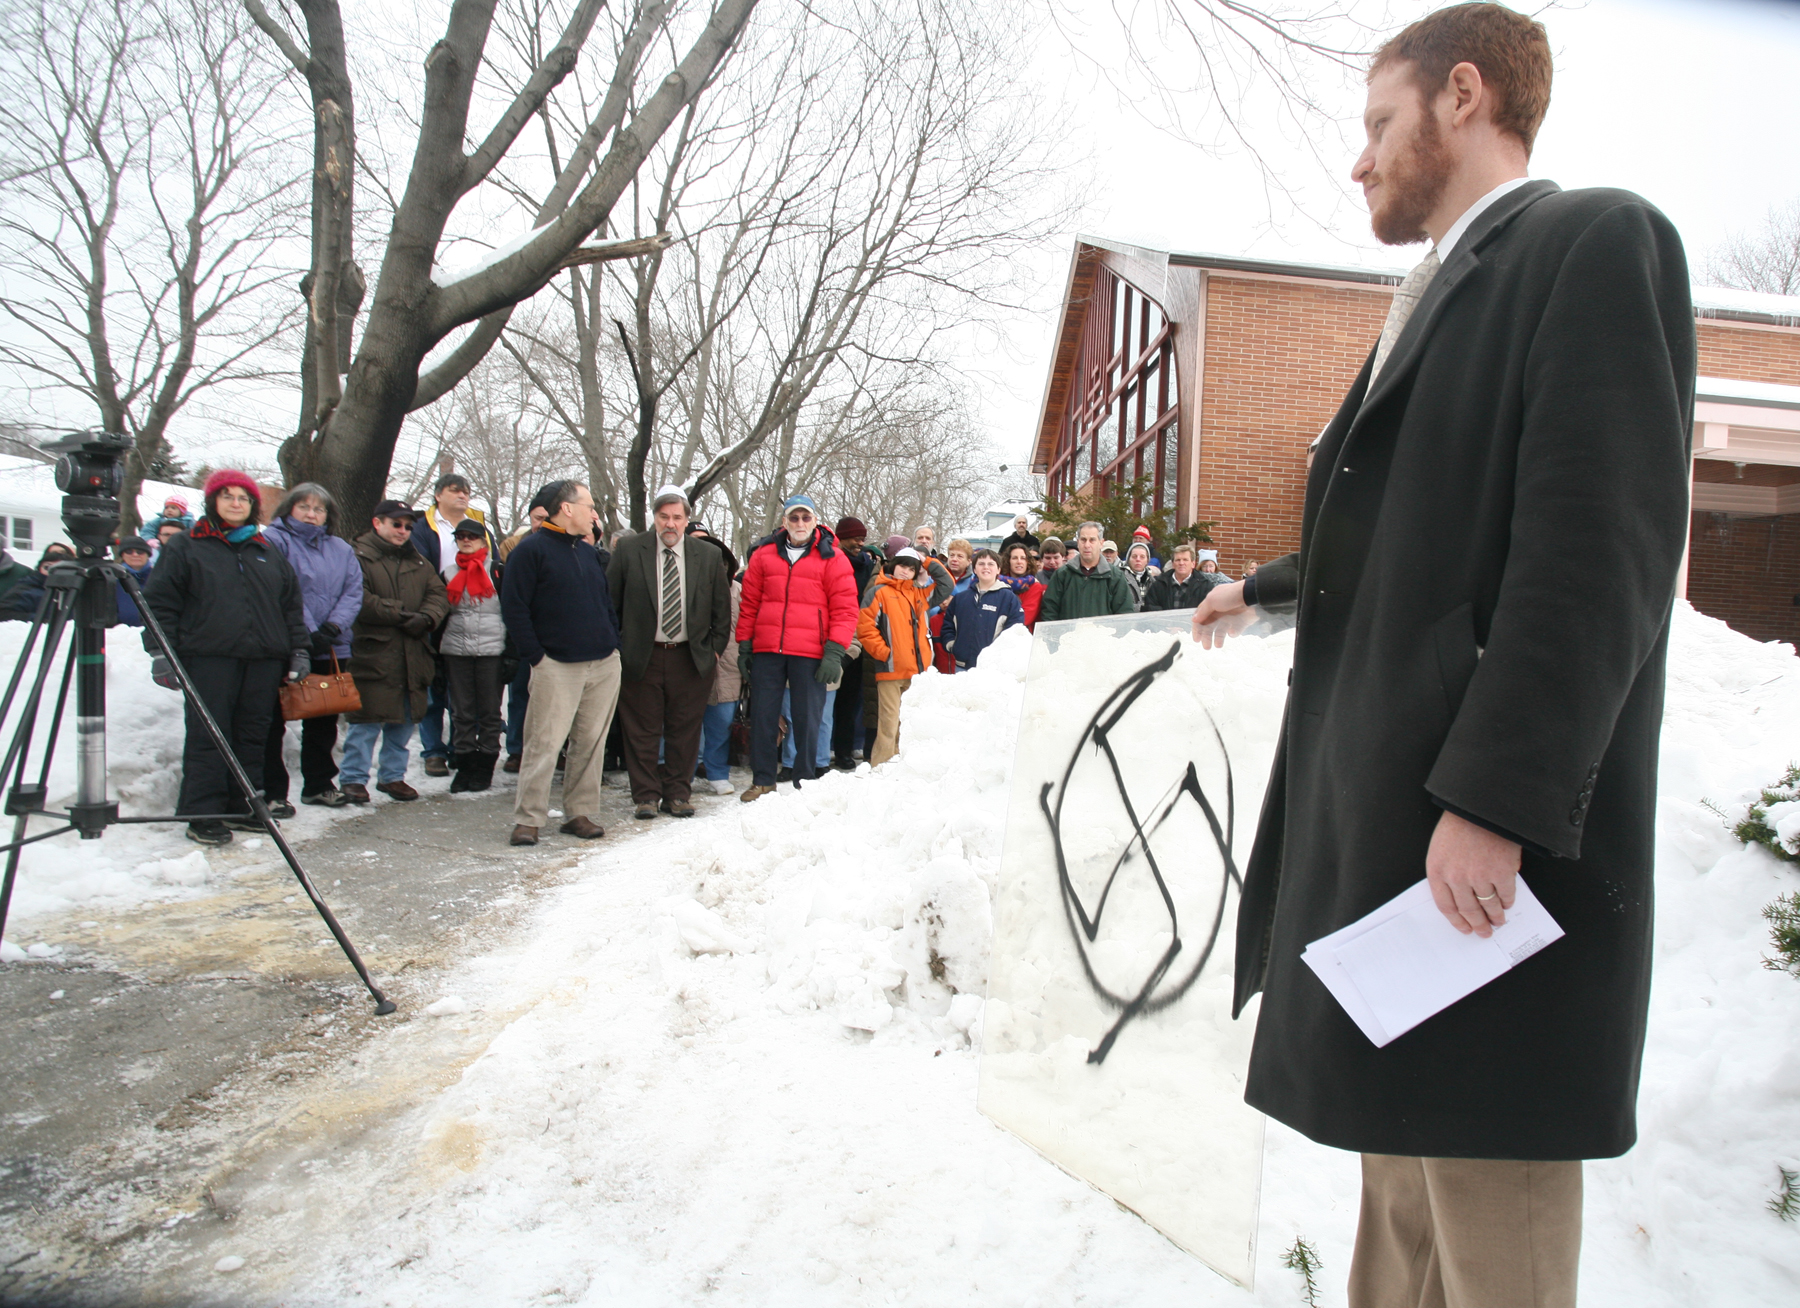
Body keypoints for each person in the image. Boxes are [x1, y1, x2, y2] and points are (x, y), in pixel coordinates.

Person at [1192, 8, 1693, 1305]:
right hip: (1397, 845)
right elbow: (1418, 531)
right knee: (1401, 1194)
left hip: (1480, 860)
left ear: (1463, 96)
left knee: (1486, 1187)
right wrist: (1266, 586)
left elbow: (1598, 552)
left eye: (1378, 122)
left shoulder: (1595, 241)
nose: (1359, 159)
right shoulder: (1441, 292)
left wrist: (1497, 802)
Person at [141, 470, 309, 846]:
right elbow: (159, 603)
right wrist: (160, 652)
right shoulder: (186, 546)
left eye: (243, 498)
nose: (236, 503)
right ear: (212, 502)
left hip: (263, 659)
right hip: (208, 657)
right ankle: (202, 812)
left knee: (253, 735)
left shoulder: (266, 550)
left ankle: (243, 805)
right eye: (227, 496)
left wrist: (298, 650)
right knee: (210, 734)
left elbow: (291, 607)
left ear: (253, 506)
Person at [501, 480, 621, 846]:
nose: (594, 514)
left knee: (591, 742)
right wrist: (537, 657)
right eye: (589, 506)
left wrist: (613, 646)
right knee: (544, 742)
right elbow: (514, 609)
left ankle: (578, 812)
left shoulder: (587, 552)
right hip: (555, 664)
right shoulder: (530, 551)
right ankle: (529, 818)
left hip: (603, 663)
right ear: (566, 508)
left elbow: (605, 604)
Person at [607, 485, 732, 820]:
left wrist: (713, 652)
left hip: (691, 658)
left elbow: (722, 612)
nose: (670, 524)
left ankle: (678, 794)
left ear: (687, 519)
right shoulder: (630, 550)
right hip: (641, 656)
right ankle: (646, 796)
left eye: (677, 517)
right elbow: (610, 604)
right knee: (642, 730)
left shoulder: (707, 555)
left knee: (684, 731)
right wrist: (620, 649)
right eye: (664, 517)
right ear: (655, 517)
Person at [734, 494, 857, 803]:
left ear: (815, 521)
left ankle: (805, 779)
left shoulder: (832, 557)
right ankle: (763, 780)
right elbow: (749, 604)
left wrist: (834, 652)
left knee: (807, 719)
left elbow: (845, 609)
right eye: (794, 517)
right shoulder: (764, 555)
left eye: (805, 517)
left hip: (810, 651)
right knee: (763, 717)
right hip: (767, 648)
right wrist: (745, 645)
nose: (800, 523)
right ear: (784, 521)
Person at [340, 500, 449, 806]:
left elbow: (438, 594)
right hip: (373, 651)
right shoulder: (357, 556)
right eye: (396, 524)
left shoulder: (419, 561)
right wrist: (401, 615)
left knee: (404, 719)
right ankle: (353, 778)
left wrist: (426, 618)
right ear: (378, 523)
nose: (403, 531)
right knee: (366, 720)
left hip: (413, 651)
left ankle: (392, 776)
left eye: (408, 526)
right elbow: (358, 597)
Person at [262, 484, 364, 809]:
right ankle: (272, 792)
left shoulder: (340, 548)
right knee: (272, 721)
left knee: (323, 719)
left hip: (331, 645)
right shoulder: (273, 541)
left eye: (319, 509)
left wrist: (333, 627)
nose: (311, 514)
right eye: (304, 507)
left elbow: (353, 590)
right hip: (286, 643)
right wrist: (308, 631)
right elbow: (282, 589)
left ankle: (318, 785)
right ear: (289, 508)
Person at [410, 474, 497, 778]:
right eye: (455, 490)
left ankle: (468, 754)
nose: (462, 495)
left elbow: (496, 572)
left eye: (466, 491)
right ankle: (434, 752)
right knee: (436, 690)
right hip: (440, 614)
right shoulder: (423, 527)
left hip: (483, 627)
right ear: (438, 495)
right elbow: (419, 569)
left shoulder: (481, 526)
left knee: (472, 702)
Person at [439, 517, 508, 792]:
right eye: (461, 536)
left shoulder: (498, 572)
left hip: (492, 650)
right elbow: (441, 614)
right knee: (461, 712)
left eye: (473, 536)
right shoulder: (446, 573)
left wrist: (512, 653)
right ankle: (465, 765)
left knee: (490, 712)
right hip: (456, 650)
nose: (466, 540)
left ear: (484, 541)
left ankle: (485, 766)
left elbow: (512, 611)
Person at [855, 548, 935, 765]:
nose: (905, 572)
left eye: (911, 569)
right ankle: (880, 766)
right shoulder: (878, 591)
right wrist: (885, 654)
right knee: (888, 724)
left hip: (917, 671)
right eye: (902, 566)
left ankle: (902, 767)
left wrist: (926, 561)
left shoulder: (918, 593)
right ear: (893, 565)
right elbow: (865, 628)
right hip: (890, 670)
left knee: (908, 724)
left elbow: (946, 584)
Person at [500, 493, 554, 772]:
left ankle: (551, 749)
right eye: (537, 518)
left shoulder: (561, 548)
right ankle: (517, 749)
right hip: (523, 635)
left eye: (546, 518)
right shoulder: (519, 551)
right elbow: (513, 602)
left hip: (553, 636)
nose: (541, 523)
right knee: (520, 693)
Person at [688, 524, 742, 796]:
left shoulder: (737, 590)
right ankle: (681, 775)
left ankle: (717, 772)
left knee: (721, 724)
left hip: (729, 668)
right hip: (690, 666)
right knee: (686, 725)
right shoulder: (685, 586)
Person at [830, 516, 877, 770]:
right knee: (830, 700)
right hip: (835, 637)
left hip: (859, 638)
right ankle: (825, 748)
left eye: (863, 539)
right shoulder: (832, 560)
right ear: (842, 538)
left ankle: (844, 750)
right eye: (856, 538)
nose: (860, 543)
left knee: (851, 700)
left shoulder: (867, 565)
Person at [939, 549, 1024, 671]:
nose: (986, 567)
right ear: (974, 569)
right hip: (962, 666)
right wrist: (952, 645)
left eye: (991, 564)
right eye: (981, 564)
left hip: (993, 668)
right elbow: (948, 626)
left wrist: (999, 653)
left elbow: (1015, 630)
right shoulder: (961, 598)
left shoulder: (1008, 598)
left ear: (998, 569)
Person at [1038, 522, 1136, 622]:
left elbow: (1124, 615)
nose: (1087, 545)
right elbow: (1049, 611)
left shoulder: (1115, 577)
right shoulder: (1062, 575)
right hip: (1068, 632)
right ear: (1078, 542)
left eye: (1092, 540)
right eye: (1083, 540)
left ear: (1101, 543)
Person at [1141, 543, 1210, 611]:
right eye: (1178, 560)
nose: (1181, 563)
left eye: (1185, 560)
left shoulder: (1204, 586)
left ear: (1193, 564)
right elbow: (1150, 608)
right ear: (1173, 564)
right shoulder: (1159, 584)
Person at [111, 538, 155, 627]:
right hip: (121, 632)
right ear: (122, 555)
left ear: (148, 555)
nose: (135, 555)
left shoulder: (159, 577)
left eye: (140, 552)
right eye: (129, 551)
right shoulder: (112, 578)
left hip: (155, 631)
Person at [999, 543, 1044, 629]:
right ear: (1008, 561)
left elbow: (1025, 618)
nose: (1019, 561)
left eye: (1023, 558)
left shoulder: (1035, 586)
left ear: (1028, 562)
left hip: (1021, 633)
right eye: (1014, 558)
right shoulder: (998, 583)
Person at [1122, 541, 1159, 608]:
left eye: (1142, 557)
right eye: (1134, 556)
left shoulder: (1153, 580)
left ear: (1147, 560)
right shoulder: (1120, 578)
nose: (1138, 559)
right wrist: (1143, 608)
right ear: (1128, 559)